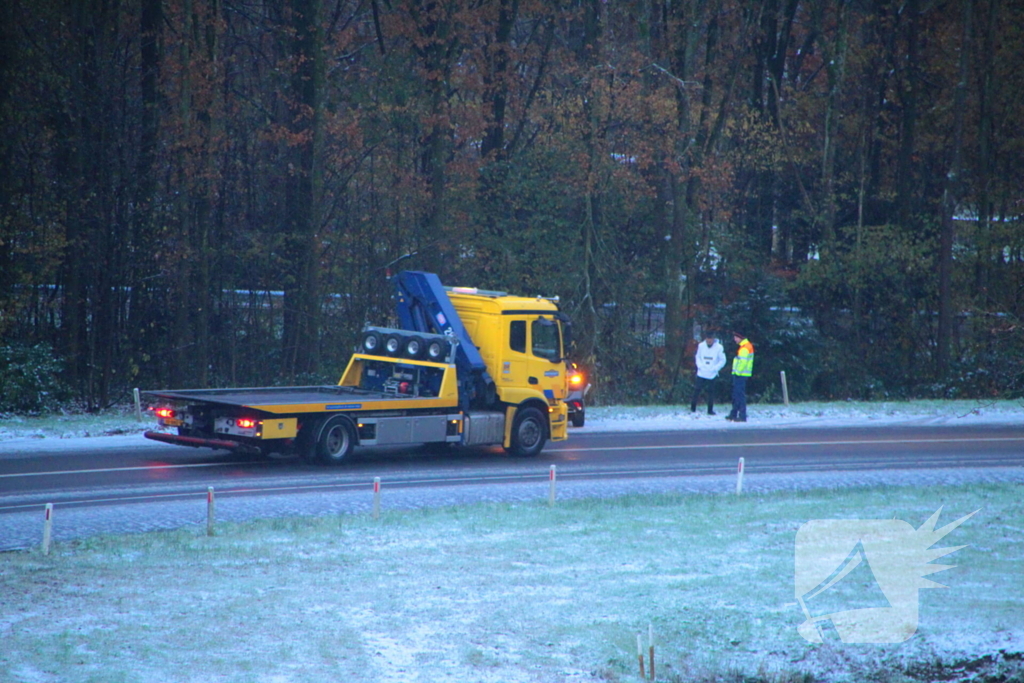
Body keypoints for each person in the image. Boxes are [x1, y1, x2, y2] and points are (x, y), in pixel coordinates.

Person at [691, 331, 725, 415]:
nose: (709, 341)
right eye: (707, 339)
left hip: (712, 373)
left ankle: (710, 410)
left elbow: (723, 360)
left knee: (711, 392)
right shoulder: (701, 346)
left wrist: (715, 368)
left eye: (711, 339)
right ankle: (693, 408)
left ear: (713, 339)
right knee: (697, 390)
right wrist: (700, 366)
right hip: (702, 372)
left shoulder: (719, 347)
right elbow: (698, 357)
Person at [726, 331, 754, 422]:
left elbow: (742, 362)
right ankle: (733, 414)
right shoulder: (745, 346)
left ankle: (742, 415)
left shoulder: (744, 348)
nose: (734, 339)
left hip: (740, 375)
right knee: (736, 395)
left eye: (736, 337)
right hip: (742, 374)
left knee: (739, 396)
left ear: (740, 338)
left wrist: (737, 373)